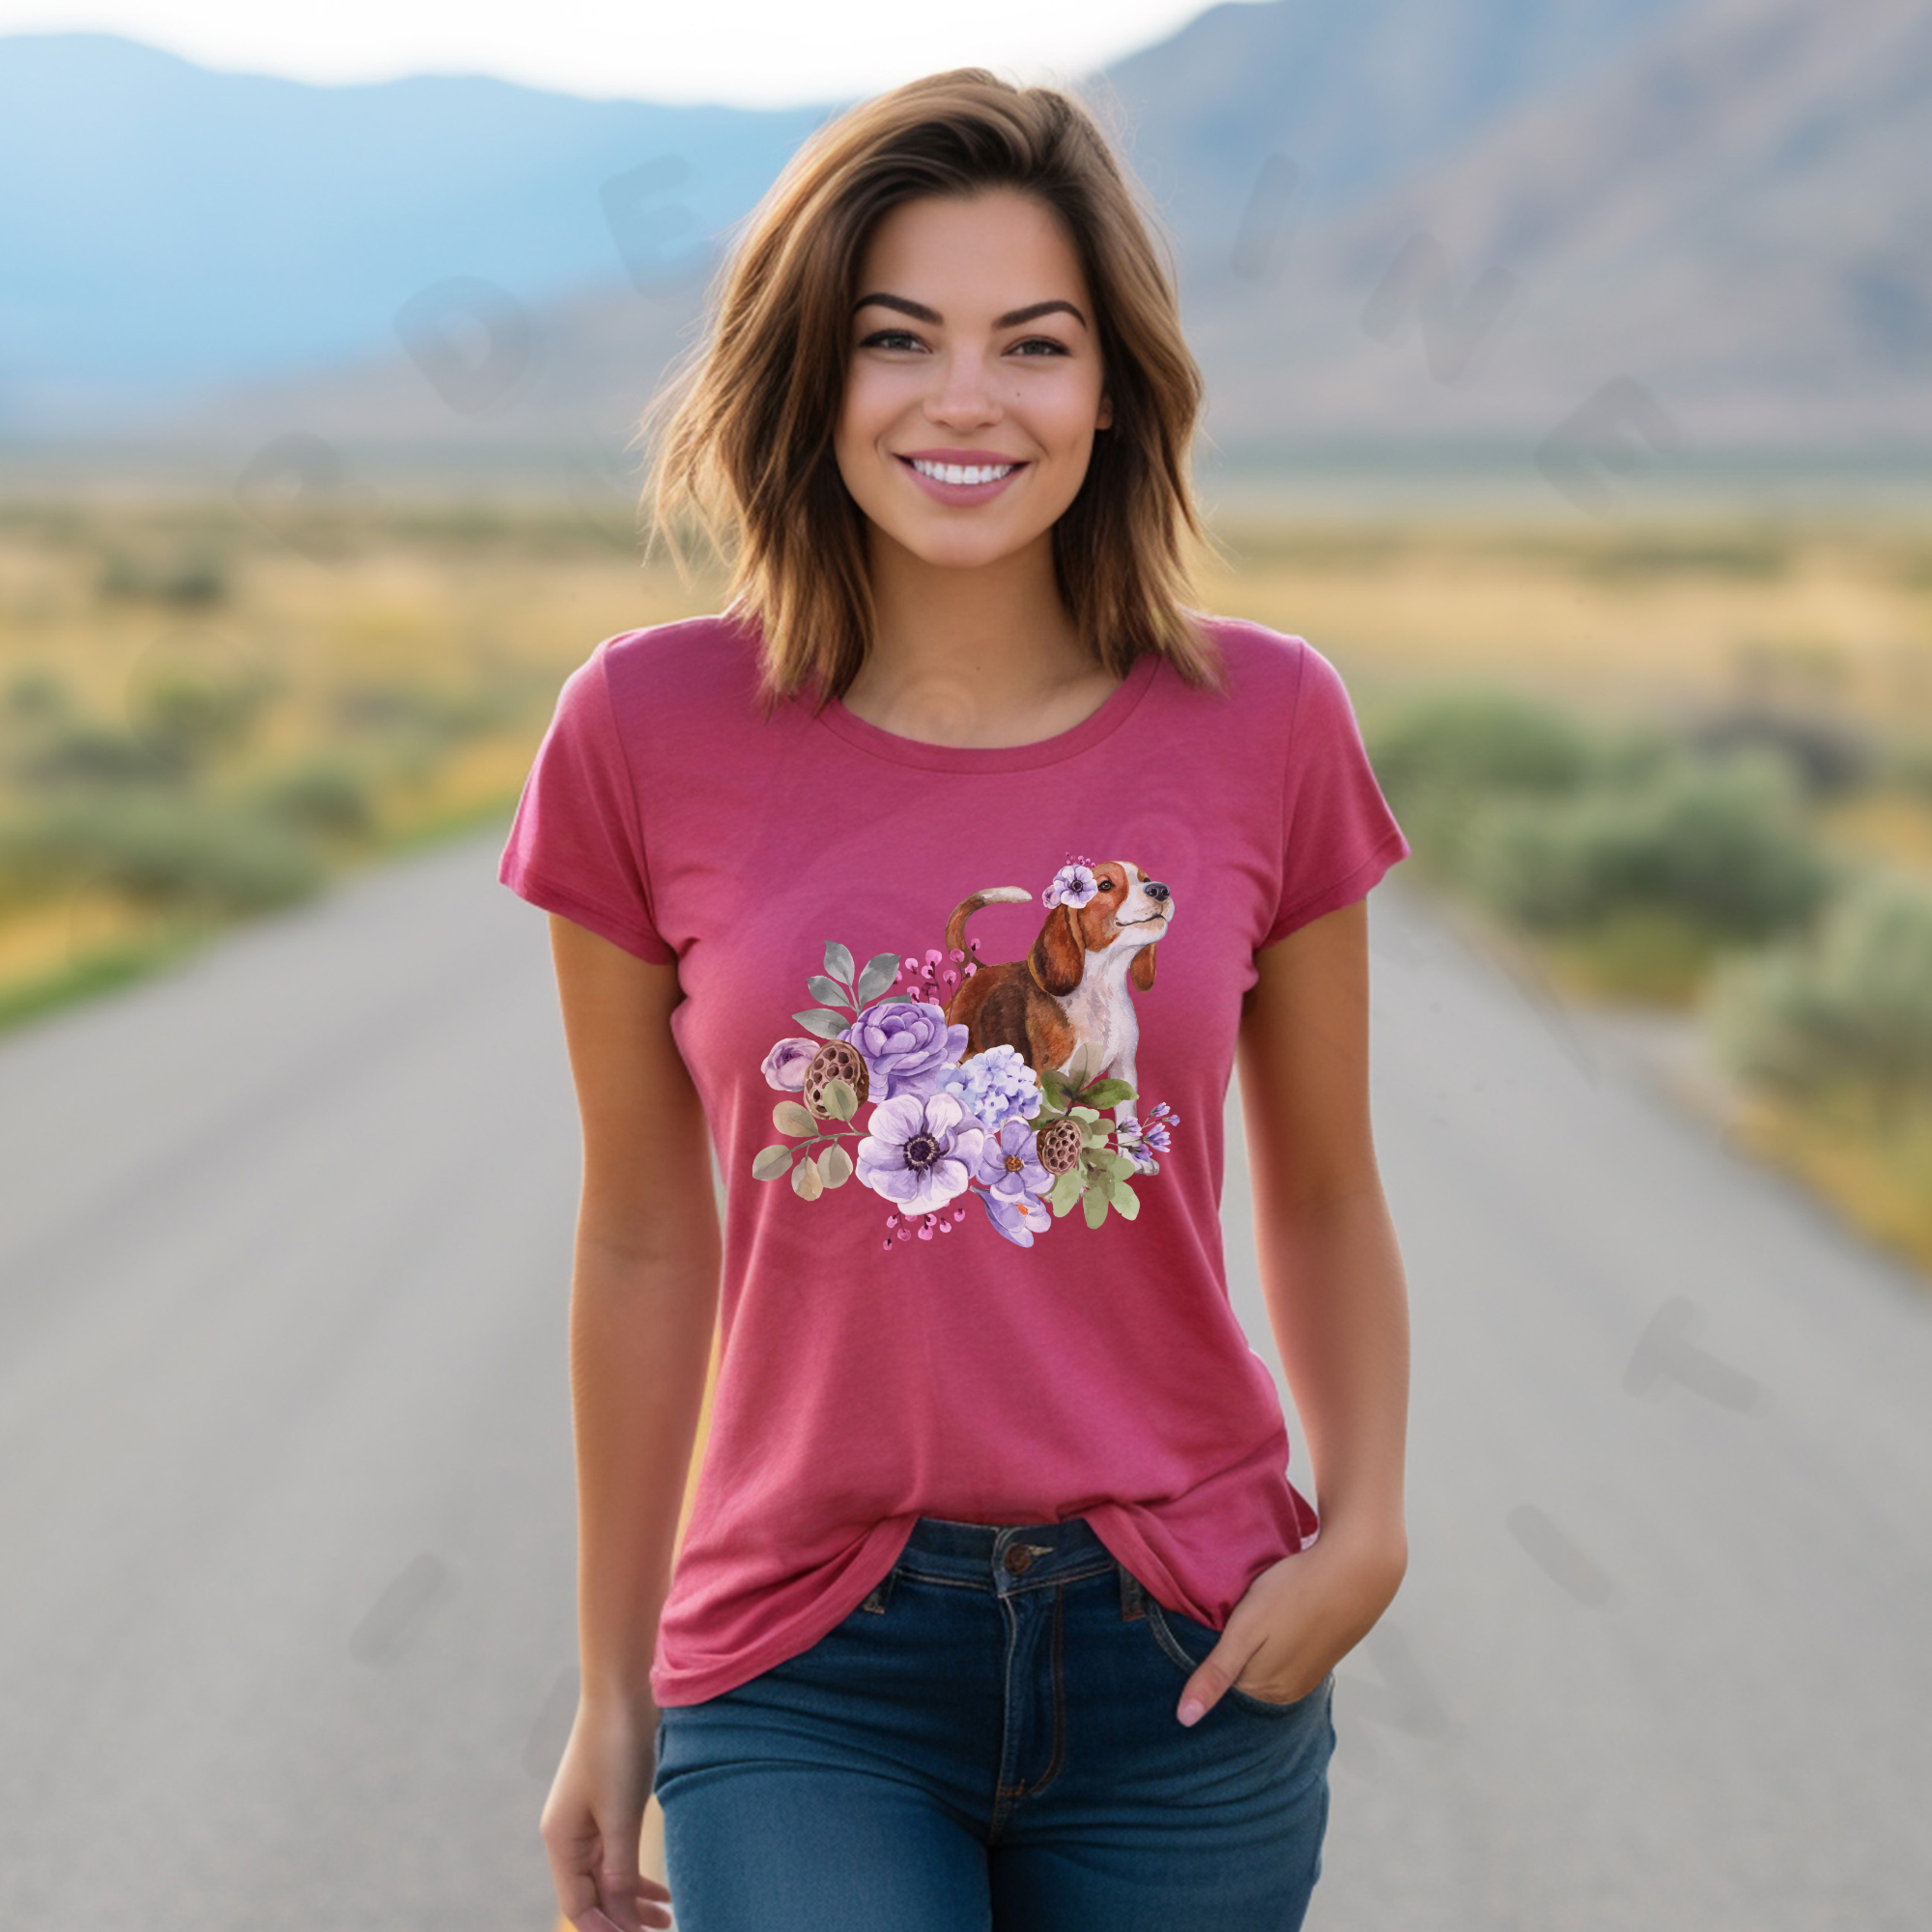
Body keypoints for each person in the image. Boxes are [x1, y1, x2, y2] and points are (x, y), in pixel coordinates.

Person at [500, 67, 1412, 1932]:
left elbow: (1325, 1186)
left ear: (1115, 387)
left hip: (1187, 1646)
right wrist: (611, 1685)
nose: (966, 400)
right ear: (810, 371)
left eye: (1035, 343)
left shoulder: (1269, 722)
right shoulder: (643, 731)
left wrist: (1368, 1530)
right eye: (896, 337)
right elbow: (644, 1238)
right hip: (803, 1662)